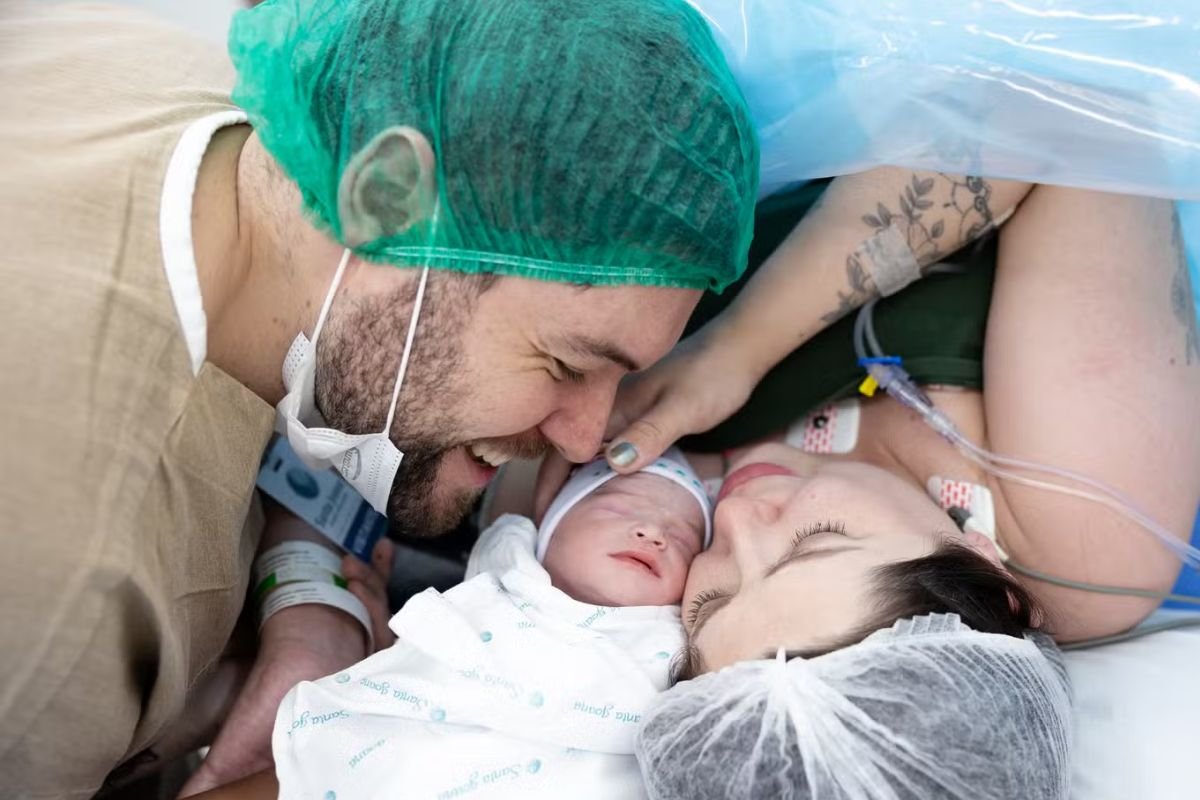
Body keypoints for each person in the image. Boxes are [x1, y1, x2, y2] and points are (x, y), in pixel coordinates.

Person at [0, 0, 758, 795]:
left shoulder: (153, 76)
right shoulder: (66, 604)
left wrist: (302, 589)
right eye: (565, 363)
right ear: (385, 198)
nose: (583, 438)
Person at [538, 171, 1200, 647]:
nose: (734, 520)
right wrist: (737, 348)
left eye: (710, 602)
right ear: (985, 570)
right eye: (816, 541)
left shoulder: (600, 550)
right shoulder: (1089, 536)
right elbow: (1064, 131)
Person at [191, 451, 714, 799]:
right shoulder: (506, 569)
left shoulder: (678, 640)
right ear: (547, 530)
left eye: (685, 537)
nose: (653, 533)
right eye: (618, 508)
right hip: (381, 758)